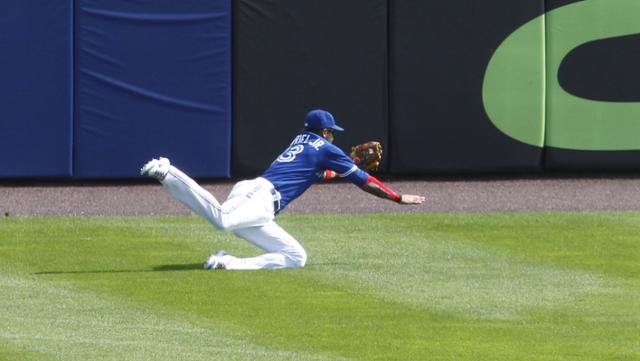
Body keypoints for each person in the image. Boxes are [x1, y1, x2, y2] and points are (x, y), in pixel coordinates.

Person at [140, 109, 425, 270]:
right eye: (331, 131)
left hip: (261, 204)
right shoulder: (326, 147)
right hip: (260, 196)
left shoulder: (302, 139)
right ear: (324, 133)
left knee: (295, 257)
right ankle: (168, 171)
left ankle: (226, 263)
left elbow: (315, 172)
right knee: (222, 219)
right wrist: (397, 197)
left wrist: (345, 164)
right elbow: (364, 180)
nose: (333, 135)